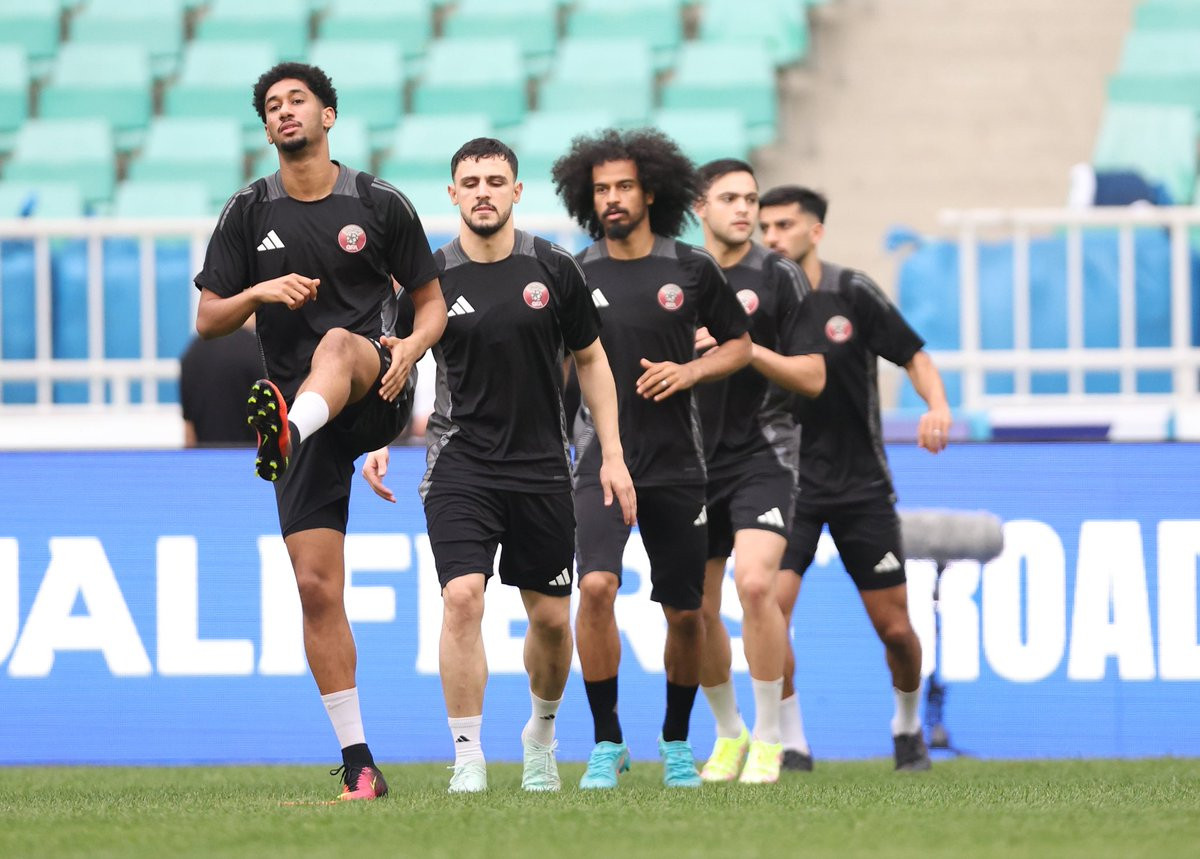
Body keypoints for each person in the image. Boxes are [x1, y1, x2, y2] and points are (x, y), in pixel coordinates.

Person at [193, 62, 447, 800]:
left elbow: (431, 303)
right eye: (272, 105)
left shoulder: (378, 202)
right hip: (296, 406)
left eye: (297, 100)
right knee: (313, 586)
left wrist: (411, 349)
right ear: (266, 126)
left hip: (374, 387)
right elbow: (208, 319)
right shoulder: (248, 210)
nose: (284, 112)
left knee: (337, 343)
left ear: (328, 115)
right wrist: (258, 291)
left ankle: (289, 435)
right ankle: (360, 762)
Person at [363, 138, 635, 794]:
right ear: (452, 194)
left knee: (551, 619)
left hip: (543, 467)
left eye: (494, 181)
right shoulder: (430, 279)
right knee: (462, 597)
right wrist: (377, 437)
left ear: (516, 191)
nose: (482, 192)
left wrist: (613, 453)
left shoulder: (555, 268)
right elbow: (394, 363)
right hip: (460, 464)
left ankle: (540, 737)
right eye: (470, 182)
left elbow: (592, 360)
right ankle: (468, 757)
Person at [551, 129, 753, 789]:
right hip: (599, 461)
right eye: (601, 189)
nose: (612, 198)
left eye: (624, 187)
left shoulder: (692, 268)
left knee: (686, 612)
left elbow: (739, 345)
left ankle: (676, 742)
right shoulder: (575, 272)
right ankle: (607, 741)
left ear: (651, 193)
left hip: (678, 463)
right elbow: (556, 363)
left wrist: (689, 372)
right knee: (596, 587)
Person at [757, 185, 952, 772]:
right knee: (768, 611)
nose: (772, 237)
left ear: (815, 231)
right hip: (786, 483)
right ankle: (792, 741)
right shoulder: (754, 300)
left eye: (784, 225)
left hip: (861, 485)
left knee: (895, 629)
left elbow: (914, 355)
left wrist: (937, 405)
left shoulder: (852, 292)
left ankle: (908, 727)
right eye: (765, 227)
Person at [689, 160, 827, 785]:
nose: (745, 209)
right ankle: (729, 733)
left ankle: (770, 737)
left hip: (763, 456)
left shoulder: (780, 276)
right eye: (729, 198)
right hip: (688, 462)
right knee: (694, 609)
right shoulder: (677, 273)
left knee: (753, 585)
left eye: (750, 197)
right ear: (700, 208)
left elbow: (813, 376)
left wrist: (742, 350)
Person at [179, 318, 264, 447]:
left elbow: (189, 433)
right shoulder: (258, 352)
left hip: (207, 455)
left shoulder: (192, 352)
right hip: (248, 454)